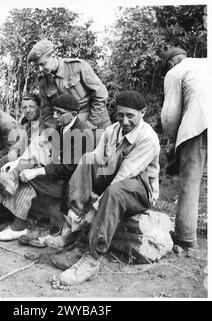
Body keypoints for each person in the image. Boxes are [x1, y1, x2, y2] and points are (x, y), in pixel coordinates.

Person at [48, 90, 160, 285]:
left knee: (114, 192)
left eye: (130, 116)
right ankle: (73, 226)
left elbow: (126, 174)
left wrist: (95, 207)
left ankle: (92, 259)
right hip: (113, 181)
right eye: (120, 114)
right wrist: (84, 203)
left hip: (138, 190)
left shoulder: (148, 138)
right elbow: (98, 160)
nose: (124, 121)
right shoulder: (112, 130)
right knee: (87, 159)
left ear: (143, 112)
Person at [0, 94, 95, 244]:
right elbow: (40, 148)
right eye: (55, 111)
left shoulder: (82, 133)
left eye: (60, 112)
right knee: (32, 157)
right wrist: (16, 163)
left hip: (70, 185)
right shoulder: (61, 127)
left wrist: (35, 171)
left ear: (73, 114)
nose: (55, 115)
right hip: (56, 173)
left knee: (26, 178)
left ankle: (18, 224)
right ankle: (12, 183)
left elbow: (66, 168)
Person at [160, 47, 208, 250]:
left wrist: (172, 143)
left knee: (190, 181)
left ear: (170, 64)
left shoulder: (174, 72)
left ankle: (185, 239)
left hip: (201, 123)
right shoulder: (205, 62)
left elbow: (170, 116)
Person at [27, 39, 111, 132]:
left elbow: (100, 94)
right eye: (37, 67)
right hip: (71, 129)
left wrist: (92, 123)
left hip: (97, 123)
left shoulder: (77, 66)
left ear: (53, 56)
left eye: (43, 64)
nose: (40, 69)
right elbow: (47, 112)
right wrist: (52, 132)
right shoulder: (43, 82)